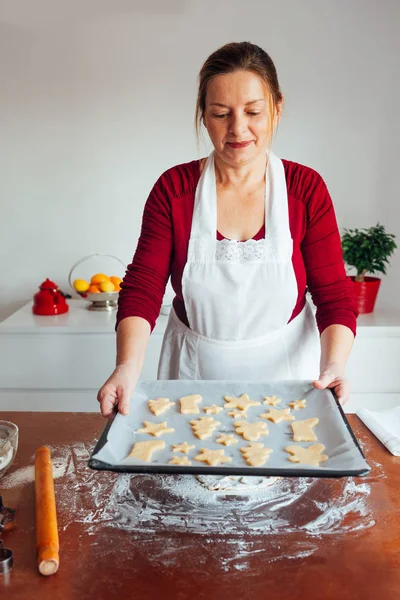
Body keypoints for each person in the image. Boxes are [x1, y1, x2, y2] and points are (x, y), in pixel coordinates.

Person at [97, 41, 358, 418]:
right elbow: (144, 286)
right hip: (192, 380)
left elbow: (334, 295)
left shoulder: (305, 189)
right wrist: (126, 367)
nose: (238, 129)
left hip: (288, 381)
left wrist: (334, 364)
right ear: (203, 115)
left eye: (254, 111)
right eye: (221, 113)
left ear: (277, 109)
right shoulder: (174, 190)